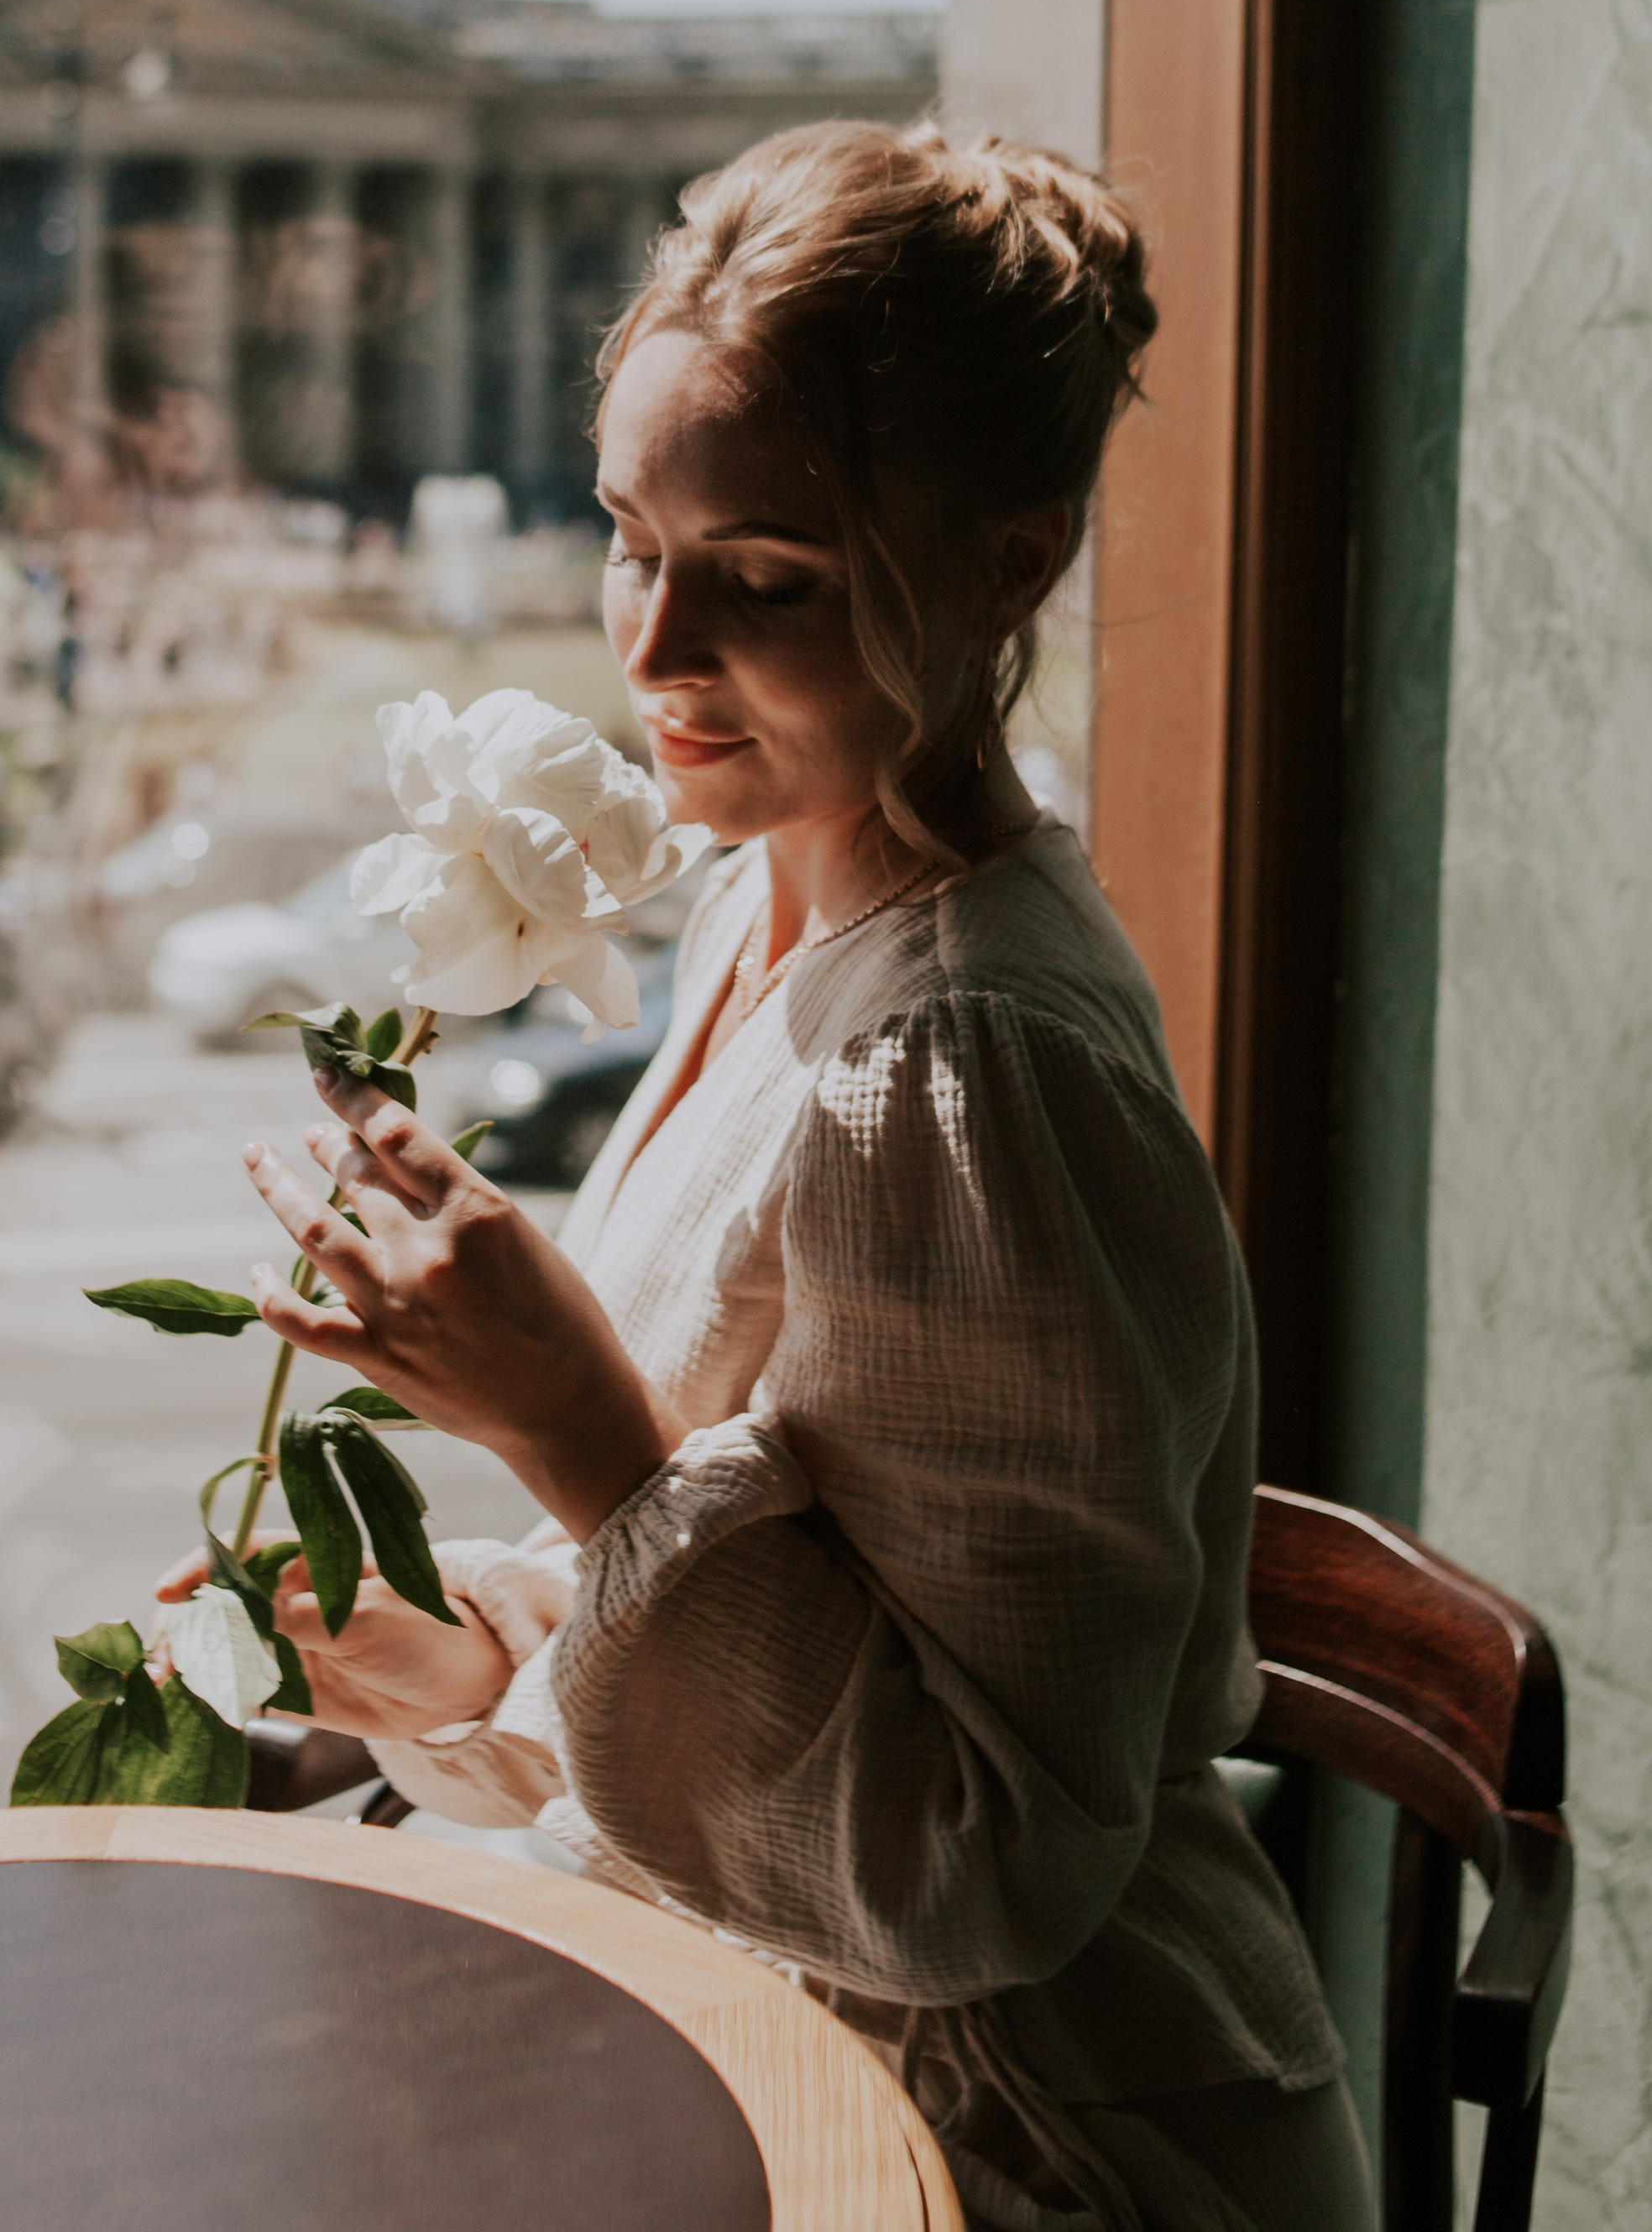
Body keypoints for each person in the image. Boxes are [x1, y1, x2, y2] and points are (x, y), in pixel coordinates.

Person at [159, 119, 1374, 2232]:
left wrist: (570, 1429)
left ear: (1008, 563)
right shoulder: (761, 907)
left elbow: (978, 1871)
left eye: (766, 577)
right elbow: (805, 1606)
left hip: (1021, 2144)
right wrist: (471, 1669)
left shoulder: (964, 1063)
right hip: (772, 2026)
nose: (648, 650)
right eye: (628, 538)